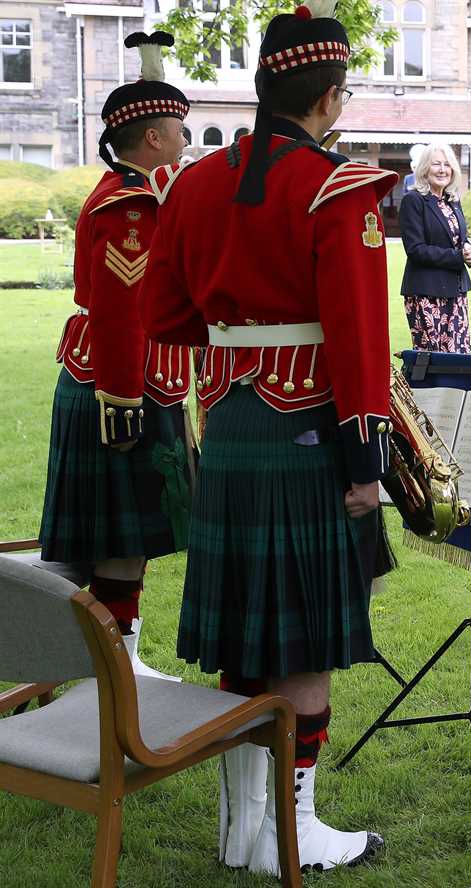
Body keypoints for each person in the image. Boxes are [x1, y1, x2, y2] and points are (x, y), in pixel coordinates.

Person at [141, 0, 393, 874]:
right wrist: (369, 463)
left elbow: (165, 312)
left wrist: (231, 334)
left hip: (231, 424)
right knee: (305, 641)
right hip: (310, 427)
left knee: (248, 630)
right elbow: (359, 337)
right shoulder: (338, 186)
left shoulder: (195, 182)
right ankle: (293, 830)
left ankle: (244, 828)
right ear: (327, 97)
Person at [38, 31, 192, 683]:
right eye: (180, 131)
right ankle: (118, 669)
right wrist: (125, 400)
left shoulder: (126, 192)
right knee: (123, 545)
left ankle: (114, 661)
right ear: (153, 138)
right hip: (121, 386)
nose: (187, 142)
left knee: (122, 541)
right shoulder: (132, 206)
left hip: (111, 379)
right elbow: (123, 308)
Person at [400, 141, 471, 352]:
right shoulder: (413, 200)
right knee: (433, 360)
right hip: (427, 293)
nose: (443, 170)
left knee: (460, 357)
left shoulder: (452, 200)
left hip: (456, 290)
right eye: (436, 164)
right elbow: (415, 250)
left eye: (447, 164)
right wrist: (458, 256)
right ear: (425, 168)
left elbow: (457, 238)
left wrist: (468, 249)